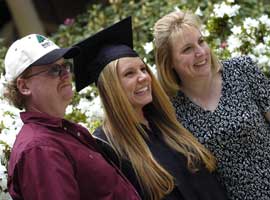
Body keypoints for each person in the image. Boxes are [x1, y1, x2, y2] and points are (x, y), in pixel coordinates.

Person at [73, 17, 228, 200]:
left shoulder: (166, 121)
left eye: (143, 69)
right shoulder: (108, 148)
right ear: (110, 88)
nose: (143, 78)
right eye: (129, 73)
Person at [4, 34, 141, 200]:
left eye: (65, 66)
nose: (66, 74)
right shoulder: (39, 149)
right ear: (24, 86)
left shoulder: (58, 133)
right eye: (54, 70)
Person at [153, 10, 270, 200]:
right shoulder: (171, 111)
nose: (200, 52)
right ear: (170, 62)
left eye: (201, 41)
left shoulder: (241, 70)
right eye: (187, 49)